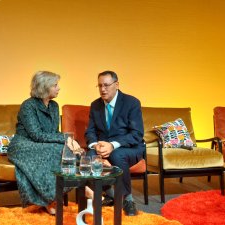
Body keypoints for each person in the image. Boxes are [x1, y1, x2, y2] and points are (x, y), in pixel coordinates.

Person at [8, 71, 81, 215]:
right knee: (55, 150)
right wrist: (66, 139)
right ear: (44, 87)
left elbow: (54, 132)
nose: (58, 88)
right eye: (55, 85)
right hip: (23, 144)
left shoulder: (54, 106)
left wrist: (70, 141)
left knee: (71, 150)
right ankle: (49, 199)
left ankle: (60, 195)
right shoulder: (28, 106)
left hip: (41, 142)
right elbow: (36, 135)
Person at [85, 70, 145, 216]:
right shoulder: (95, 105)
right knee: (90, 155)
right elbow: (90, 131)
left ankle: (128, 199)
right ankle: (109, 194)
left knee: (117, 155)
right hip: (103, 146)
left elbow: (137, 134)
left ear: (116, 84)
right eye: (99, 86)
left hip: (129, 148)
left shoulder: (131, 103)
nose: (102, 89)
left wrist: (113, 145)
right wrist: (95, 145)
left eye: (106, 85)